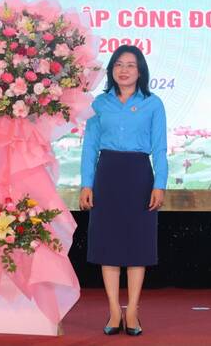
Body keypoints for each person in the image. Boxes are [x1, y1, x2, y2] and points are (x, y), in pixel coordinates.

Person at [78, 44, 167, 337]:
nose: (124, 70)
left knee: (137, 246)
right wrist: (86, 183)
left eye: (130, 65)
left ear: (140, 70)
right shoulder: (99, 104)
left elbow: (160, 148)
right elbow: (89, 146)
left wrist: (159, 184)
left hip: (139, 175)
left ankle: (133, 310)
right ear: (111, 70)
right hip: (108, 175)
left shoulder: (153, 104)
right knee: (109, 246)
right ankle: (115, 310)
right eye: (118, 64)